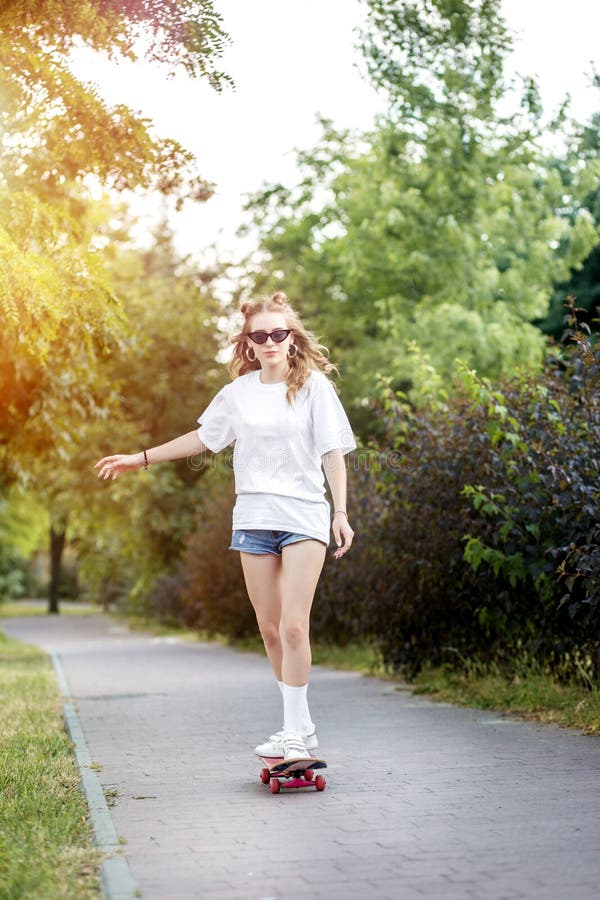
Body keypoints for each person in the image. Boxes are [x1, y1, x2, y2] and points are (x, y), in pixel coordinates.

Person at [95, 291, 356, 761]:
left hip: (303, 515)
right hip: (254, 519)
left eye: (279, 333)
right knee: (270, 629)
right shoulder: (238, 394)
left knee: (295, 626)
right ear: (249, 343)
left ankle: (293, 735)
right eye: (261, 335)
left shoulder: (315, 387)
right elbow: (204, 437)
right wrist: (142, 458)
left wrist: (340, 512)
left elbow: (332, 454)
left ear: (291, 338)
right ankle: (300, 724)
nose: (271, 341)